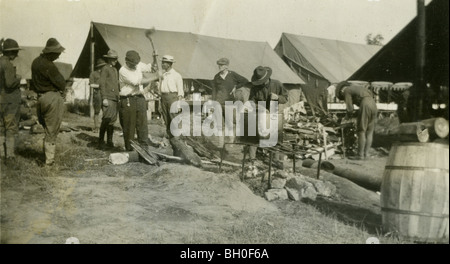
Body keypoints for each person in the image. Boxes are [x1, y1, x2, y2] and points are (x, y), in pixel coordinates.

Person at [31, 38, 66, 166]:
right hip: (52, 98)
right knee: (52, 131)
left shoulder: (35, 62)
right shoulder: (49, 66)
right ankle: (49, 163)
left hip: (40, 99)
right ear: (51, 52)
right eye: (57, 53)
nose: (58, 55)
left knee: (46, 129)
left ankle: (45, 156)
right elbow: (61, 83)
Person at [118, 50, 158, 151]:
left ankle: (144, 148)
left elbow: (151, 68)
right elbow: (137, 82)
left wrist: (154, 58)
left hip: (140, 98)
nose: (135, 66)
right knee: (129, 126)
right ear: (126, 61)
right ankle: (130, 149)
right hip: (128, 99)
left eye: (136, 64)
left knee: (142, 124)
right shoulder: (123, 70)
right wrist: (155, 77)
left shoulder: (138, 64)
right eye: (133, 64)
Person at [246, 66, 288, 161]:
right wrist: (260, 108)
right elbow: (251, 102)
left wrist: (277, 97)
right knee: (254, 135)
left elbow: (285, 98)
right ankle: (252, 159)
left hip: (274, 112)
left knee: (274, 137)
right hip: (259, 113)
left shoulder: (277, 84)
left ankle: (274, 160)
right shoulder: (255, 87)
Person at [335, 81, 377, 160]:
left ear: (341, 91)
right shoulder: (359, 88)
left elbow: (350, 109)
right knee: (369, 131)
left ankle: (360, 155)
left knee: (361, 131)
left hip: (365, 104)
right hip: (373, 104)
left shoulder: (347, 90)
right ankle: (366, 154)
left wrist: (346, 117)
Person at [212, 57, 248, 144]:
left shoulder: (232, 75)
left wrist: (236, 87)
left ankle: (231, 143)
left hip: (229, 103)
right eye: (219, 65)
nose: (219, 66)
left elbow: (245, 81)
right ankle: (221, 144)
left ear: (226, 66)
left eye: (222, 65)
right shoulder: (216, 77)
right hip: (218, 103)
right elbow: (214, 90)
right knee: (220, 125)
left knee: (230, 124)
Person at [0, 38, 22, 165]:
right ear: (11, 52)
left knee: (1, 127)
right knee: (10, 127)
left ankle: (1, 154)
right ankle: (10, 156)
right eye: (15, 52)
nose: (16, 55)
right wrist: (18, 79)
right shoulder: (7, 64)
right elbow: (9, 83)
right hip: (9, 101)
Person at [98, 50, 120, 150]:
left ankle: (109, 141)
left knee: (112, 121)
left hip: (115, 98)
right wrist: (104, 98)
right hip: (108, 98)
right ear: (109, 59)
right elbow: (102, 84)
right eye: (113, 59)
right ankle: (100, 142)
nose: (115, 61)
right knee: (106, 119)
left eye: (116, 59)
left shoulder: (115, 70)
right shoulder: (105, 69)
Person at [159, 55, 184, 139]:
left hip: (173, 98)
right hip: (163, 98)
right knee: (166, 119)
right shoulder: (162, 75)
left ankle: (177, 139)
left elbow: (180, 91)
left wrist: (179, 104)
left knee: (174, 118)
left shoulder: (177, 75)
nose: (162, 64)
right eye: (162, 62)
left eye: (164, 63)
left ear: (169, 64)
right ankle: (170, 139)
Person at [89, 58, 106, 133]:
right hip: (98, 94)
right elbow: (91, 85)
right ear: (99, 66)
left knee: (106, 111)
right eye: (102, 66)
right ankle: (96, 127)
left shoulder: (105, 74)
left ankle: (104, 128)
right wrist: (100, 86)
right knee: (97, 111)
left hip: (105, 94)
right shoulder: (93, 74)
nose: (103, 68)